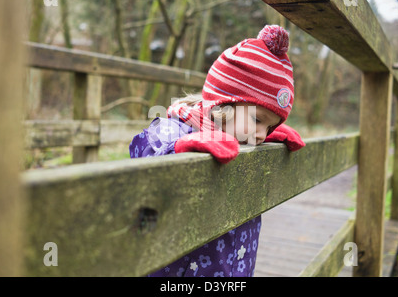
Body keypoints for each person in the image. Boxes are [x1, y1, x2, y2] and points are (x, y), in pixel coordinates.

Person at [129, 25, 305, 277]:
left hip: (237, 265)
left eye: (271, 126)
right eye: (257, 120)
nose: (261, 134)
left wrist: (269, 140)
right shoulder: (176, 128)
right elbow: (144, 151)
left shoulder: (245, 136)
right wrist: (178, 149)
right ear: (225, 105)